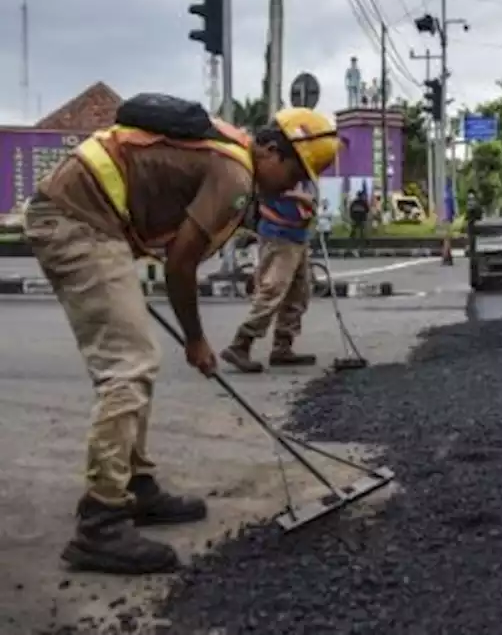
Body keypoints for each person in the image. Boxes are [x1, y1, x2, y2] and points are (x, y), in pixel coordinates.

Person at [22, 102, 339, 575]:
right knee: (128, 366)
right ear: (272, 150)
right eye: (295, 172)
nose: (293, 185)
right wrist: (196, 340)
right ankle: (101, 522)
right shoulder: (235, 174)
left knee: (137, 358)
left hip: (89, 218)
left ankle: (137, 485)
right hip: (75, 220)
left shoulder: (231, 151)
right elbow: (180, 264)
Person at [219, 180, 320, 373]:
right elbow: (262, 205)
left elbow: (311, 202)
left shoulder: (306, 172)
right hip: (279, 237)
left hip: (299, 236)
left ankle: (283, 346)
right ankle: (241, 343)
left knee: (299, 293)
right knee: (273, 289)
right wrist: (296, 201)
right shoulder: (277, 170)